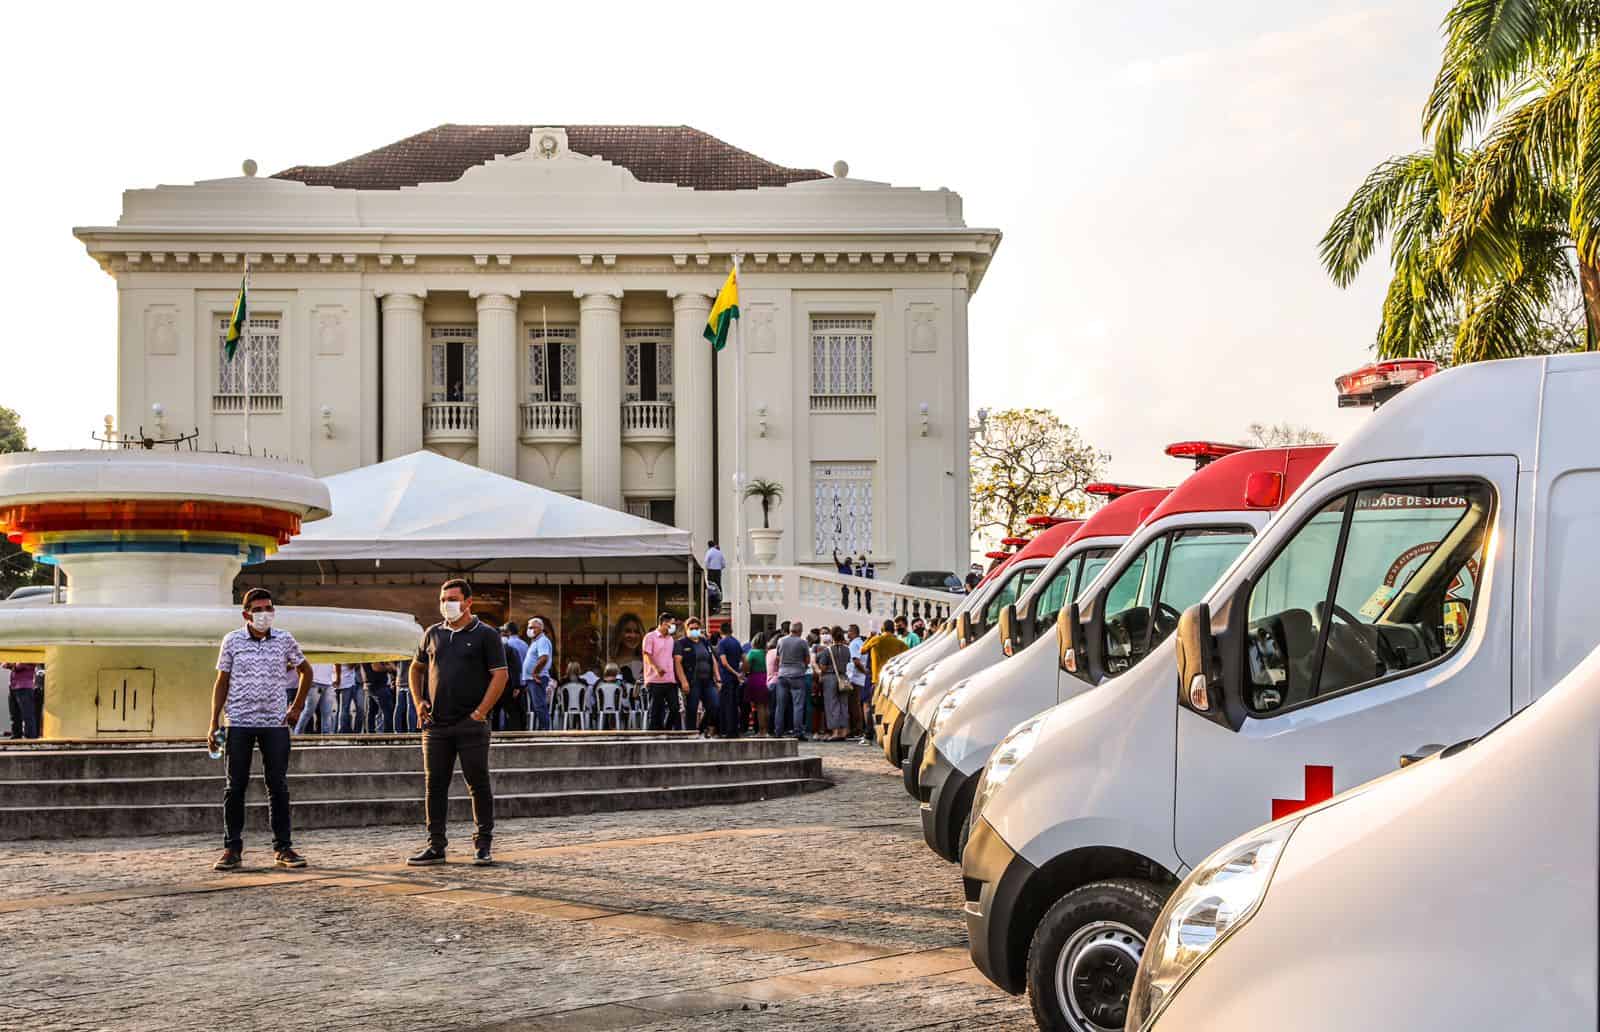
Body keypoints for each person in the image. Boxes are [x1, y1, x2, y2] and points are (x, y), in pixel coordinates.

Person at [209, 588, 313, 871]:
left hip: (275, 723)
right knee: (235, 787)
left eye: (268, 608)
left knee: (277, 785)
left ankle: (283, 847)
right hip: (239, 722)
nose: (264, 614)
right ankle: (232, 848)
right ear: (246, 614)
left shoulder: (284, 639)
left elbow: (307, 671)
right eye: (258, 610)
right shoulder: (232, 641)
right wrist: (213, 721)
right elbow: (222, 681)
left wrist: (296, 707)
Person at [406, 579, 506, 867]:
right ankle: (436, 845)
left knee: (478, 782)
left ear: (468, 602)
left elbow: (500, 675)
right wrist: (418, 701)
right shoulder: (432, 633)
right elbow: (416, 667)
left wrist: (481, 711)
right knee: (434, 785)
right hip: (436, 725)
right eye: (442, 599)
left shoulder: (485, 634)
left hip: (471, 724)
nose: (446, 604)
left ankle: (483, 844)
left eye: (452, 598)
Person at [675, 617, 719, 736]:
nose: (694, 630)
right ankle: (691, 734)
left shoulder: (704, 642)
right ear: (686, 629)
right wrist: (683, 682)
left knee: (714, 705)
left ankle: (701, 728)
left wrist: (718, 678)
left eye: (697, 628)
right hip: (692, 681)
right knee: (692, 709)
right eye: (691, 628)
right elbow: (677, 663)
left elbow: (713, 659)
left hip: (708, 681)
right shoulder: (681, 643)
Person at [642, 612, 681, 731]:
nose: (673, 627)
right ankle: (652, 735)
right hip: (654, 680)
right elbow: (646, 655)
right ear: (664, 623)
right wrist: (656, 668)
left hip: (670, 680)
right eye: (672, 624)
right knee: (655, 710)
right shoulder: (650, 637)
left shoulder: (671, 639)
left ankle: (667, 730)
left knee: (675, 708)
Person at [774, 621, 811, 742]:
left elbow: (778, 657)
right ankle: (798, 732)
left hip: (783, 675)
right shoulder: (802, 642)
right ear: (800, 630)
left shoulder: (781, 641)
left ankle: (778, 731)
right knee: (798, 705)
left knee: (780, 705)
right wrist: (803, 668)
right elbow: (807, 659)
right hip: (797, 675)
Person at [816, 626, 853, 741]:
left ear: (832, 636)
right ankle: (844, 730)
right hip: (843, 677)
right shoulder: (847, 649)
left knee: (832, 705)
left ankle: (835, 731)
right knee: (844, 705)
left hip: (831, 678)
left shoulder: (828, 650)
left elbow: (822, 667)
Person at [521, 617, 554, 731]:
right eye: (528, 627)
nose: (529, 630)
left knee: (539, 705)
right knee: (537, 705)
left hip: (537, 678)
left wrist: (535, 672)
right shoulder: (535, 641)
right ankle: (542, 728)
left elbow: (544, 657)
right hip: (531, 678)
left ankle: (545, 729)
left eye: (532, 627)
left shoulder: (542, 641)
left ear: (540, 628)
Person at [862, 619, 910, 697]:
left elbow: (862, 650)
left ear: (882, 628)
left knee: (874, 705)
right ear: (893, 630)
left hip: (877, 679)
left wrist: (870, 637)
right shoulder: (900, 643)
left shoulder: (876, 640)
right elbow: (909, 654)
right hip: (891, 680)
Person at [714, 627, 745, 738]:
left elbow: (724, 662)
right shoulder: (736, 642)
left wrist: (736, 673)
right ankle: (734, 731)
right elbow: (744, 658)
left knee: (725, 705)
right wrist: (742, 672)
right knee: (734, 705)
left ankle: (726, 731)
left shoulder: (722, 643)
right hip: (735, 680)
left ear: (721, 632)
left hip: (726, 678)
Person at [498, 623, 529, 732]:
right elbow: (522, 665)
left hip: (506, 682)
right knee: (517, 710)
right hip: (520, 681)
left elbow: (514, 667)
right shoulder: (525, 645)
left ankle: (502, 730)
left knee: (502, 709)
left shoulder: (507, 646)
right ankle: (518, 730)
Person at [294, 662, 337, 735]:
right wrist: (305, 681)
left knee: (327, 713)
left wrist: (337, 677)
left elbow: (337, 662)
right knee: (308, 711)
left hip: (329, 683)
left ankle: (327, 739)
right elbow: (298, 665)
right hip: (314, 683)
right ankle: (297, 734)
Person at [744, 633, 771, 737]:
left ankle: (761, 731)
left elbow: (746, 667)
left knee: (759, 706)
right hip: (767, 678)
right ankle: (767, 730)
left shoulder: (753, 652)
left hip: (756, 679)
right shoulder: (767, 652)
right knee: (766, 706)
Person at [607, 611, 646, 682]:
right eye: (628, 631)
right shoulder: (610, 662)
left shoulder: (647, 662)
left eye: (637, 632)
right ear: (619, 633)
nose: (633, 636)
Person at [4, 661, 39, 739]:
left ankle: (30, 737)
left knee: (27, 714)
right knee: (14, 714)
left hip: (24, 687)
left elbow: (19, 666)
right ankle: (16, 734)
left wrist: (10, 665)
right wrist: (11, 664)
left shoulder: (29, 655)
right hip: (13, 686)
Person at [364, 661, 397, 733]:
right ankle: (388, 733)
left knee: (372, 712)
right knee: (387, 711)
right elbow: (376, 667)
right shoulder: (373, 654)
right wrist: (389, 667)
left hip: (371, 684)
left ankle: (370, 732)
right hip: (378, 685)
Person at [334, 662, 366, 734]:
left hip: (359, 682)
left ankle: (358, 732)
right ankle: (342, 731)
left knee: (361, 709)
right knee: (344, 709)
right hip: (345, 682)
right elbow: (350, 665)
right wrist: (359, 660)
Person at [392, 660, 418, 732]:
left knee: (399, 707)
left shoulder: (400, 653)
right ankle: (411, 731)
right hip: (410, 681)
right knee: (411, 707)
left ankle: (397, 731)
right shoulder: (412, 652)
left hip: (400, 681)